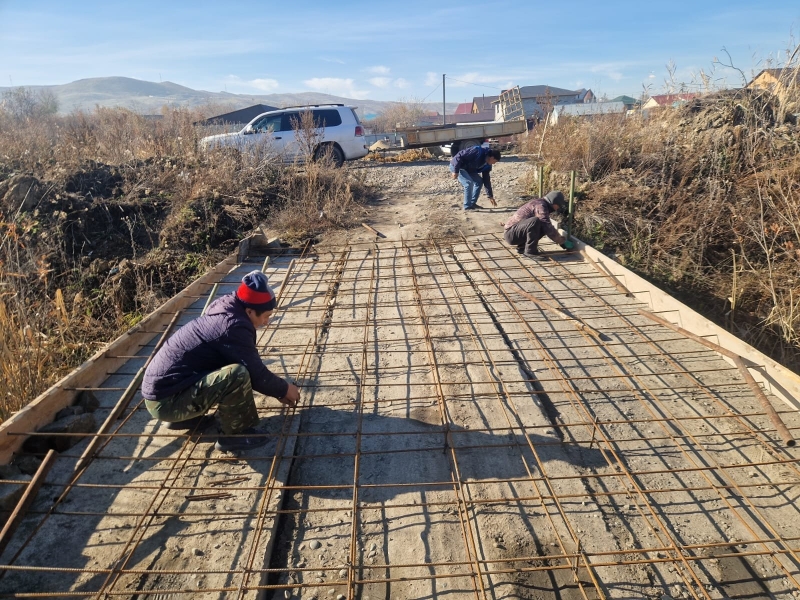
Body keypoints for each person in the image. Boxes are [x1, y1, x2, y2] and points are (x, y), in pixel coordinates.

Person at [142, 270, 301, 452]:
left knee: (225, 360)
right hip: (167, 403)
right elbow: (256, 374)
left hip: (163, 394)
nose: (267, 322)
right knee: (237, 374)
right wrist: (284, 389)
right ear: (249, 311)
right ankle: (235, 434)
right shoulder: (232, 327)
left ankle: (186, 418)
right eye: (265, 316)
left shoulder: (227, 306)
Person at [503, 190, 568, 259]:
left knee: (542, 226)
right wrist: (561, 241)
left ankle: (523, 247)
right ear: (553, 202)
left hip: (515, 232)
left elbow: (546, 227)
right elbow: (547, 226)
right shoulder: (541, 206)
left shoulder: (541, 203)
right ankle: (530, 252)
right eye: (558, 205)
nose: (558, 208)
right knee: (536, 221)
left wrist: (560, 241)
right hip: (511, 234)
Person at [449, 145, 501, 210]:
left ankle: (472, 203)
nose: (494, 163)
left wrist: (490, 196)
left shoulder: (487, 165)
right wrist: (455, 171)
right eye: (495, 161)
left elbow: (486, 180)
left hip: (469, 170)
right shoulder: (477, 151)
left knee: (479, 182)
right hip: (458, 166)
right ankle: (467, 207)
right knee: (468, 183)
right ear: (492, 158)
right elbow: (459, 155)